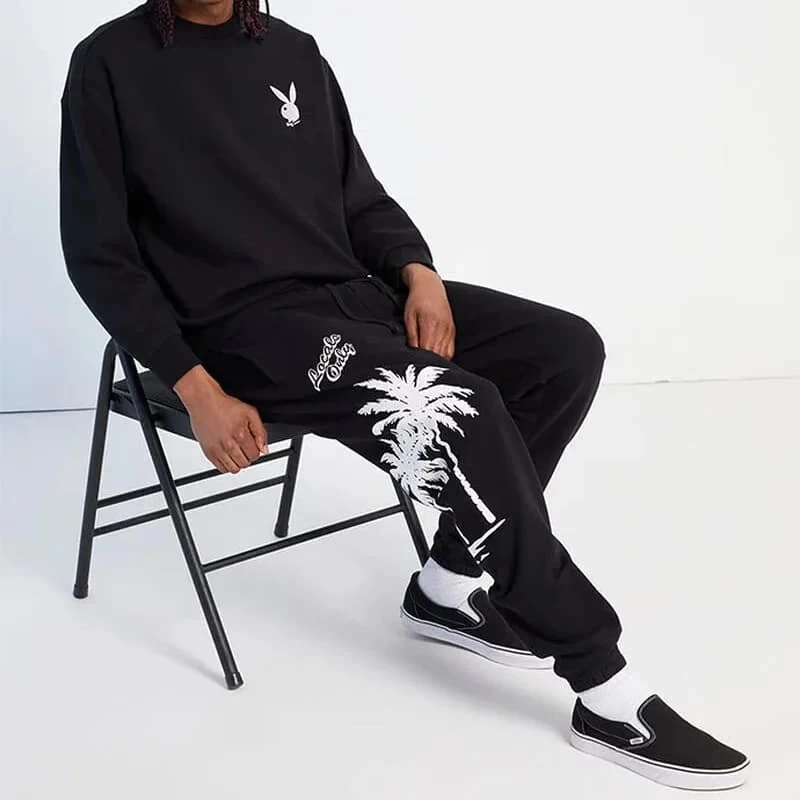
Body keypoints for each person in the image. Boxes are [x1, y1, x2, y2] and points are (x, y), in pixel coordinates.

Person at [59, 0, 749, 789]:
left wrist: (418, 273)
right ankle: (604, 685)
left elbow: (358, 197)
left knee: (563, 352)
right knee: (455, 408)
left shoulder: (292, 51)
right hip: (243, 336)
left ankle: (446, 587)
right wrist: (194, 385)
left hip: (352, 296)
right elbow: (98, 254)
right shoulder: (108, 64)